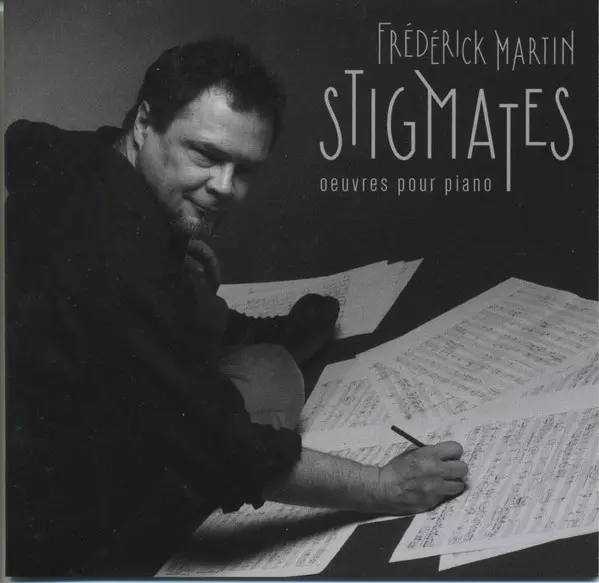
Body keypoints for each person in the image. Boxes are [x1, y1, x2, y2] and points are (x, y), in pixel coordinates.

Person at [5, 37, 468, 576]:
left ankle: (238, 333)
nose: (225, 188)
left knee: (233, 339)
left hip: (66, 401)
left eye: (244, 168)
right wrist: (385, 485)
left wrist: (168, 240)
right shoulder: (118, 262)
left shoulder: (80, 161)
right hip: (65, 536)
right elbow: (231, 447)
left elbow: (21, 140)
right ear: (144, 124)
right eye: (205, 155)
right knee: (271, 375)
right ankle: (250, 339)